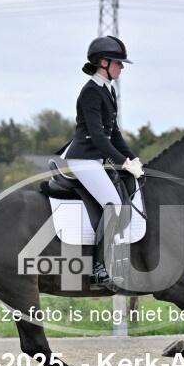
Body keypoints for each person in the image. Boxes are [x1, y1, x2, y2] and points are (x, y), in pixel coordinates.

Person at [55, 35, 144, 287]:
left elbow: (114, 134)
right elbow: (98, 137)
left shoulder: (108, 90)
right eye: (118, 62)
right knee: (113, 204)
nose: (122, 67)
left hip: (97, 159)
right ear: (103, 62)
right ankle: (99, 267)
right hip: (83, 159)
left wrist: (133, 158)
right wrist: (123, 162)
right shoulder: (91, 92)